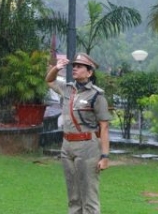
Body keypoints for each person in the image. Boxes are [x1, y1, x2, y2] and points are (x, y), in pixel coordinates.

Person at [45, 53, 112, 214]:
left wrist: (104, 156)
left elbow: (104, 127)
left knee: (89, 196)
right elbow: (49, 80)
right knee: (73, 196)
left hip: (87, 147)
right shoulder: (68, 88)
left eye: (79, 66)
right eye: (74, 65)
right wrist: (56, 67)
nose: (75, 68)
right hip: (67, 147)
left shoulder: (97, 95)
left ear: (89, 72)